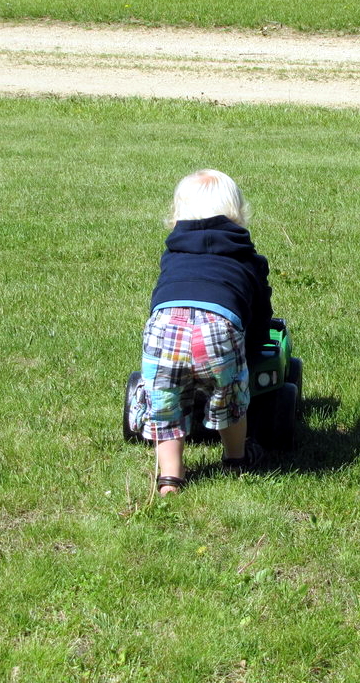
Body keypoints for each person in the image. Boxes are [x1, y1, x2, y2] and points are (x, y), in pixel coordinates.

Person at [136, 169, 273, 496]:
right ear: (237, 212)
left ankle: (170, 478)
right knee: (231, 396)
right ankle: (236, 458)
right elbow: (259, 314)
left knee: (165, 401)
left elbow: (161, 296)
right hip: (217, 328)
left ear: (177, 214)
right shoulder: (248, 259)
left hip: (164, 325)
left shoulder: (172, 254)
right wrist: (251, 349)